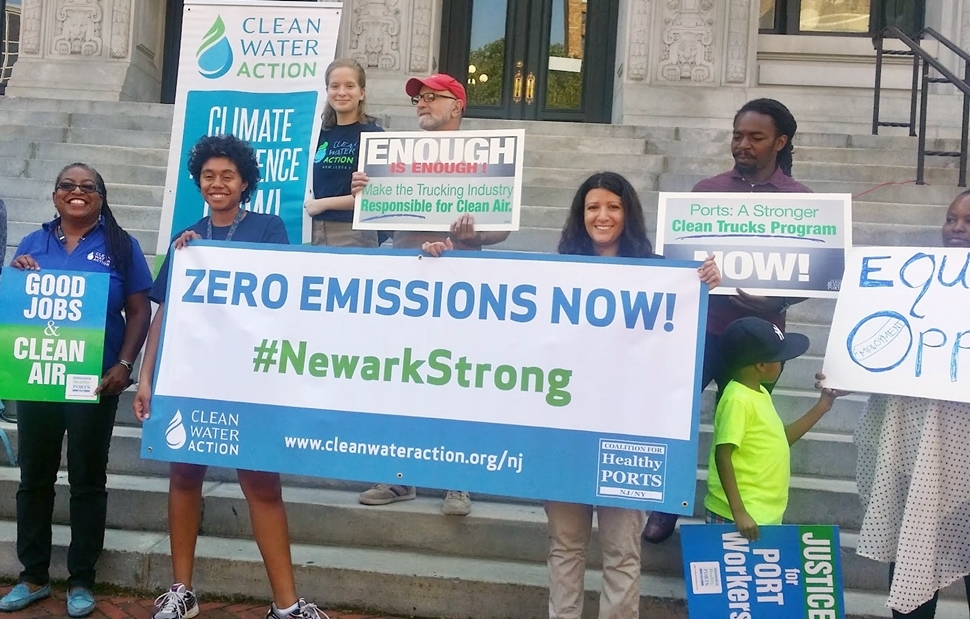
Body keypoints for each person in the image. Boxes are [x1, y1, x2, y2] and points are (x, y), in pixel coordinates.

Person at [427, 171, 720, 618]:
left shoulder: (663, 273)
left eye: (613, 207)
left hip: (630, 435)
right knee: (565, 548)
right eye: (592, 208)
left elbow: (682, 338)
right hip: (565, 435)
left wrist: (706, 282)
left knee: (623, 553)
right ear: (580, 215)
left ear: (629, 213)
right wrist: (453, 260)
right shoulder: (558, 272)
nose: (602, 216)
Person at [132, 135, 322, 619]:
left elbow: (284, 297)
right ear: (198, 181)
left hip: (249, 380)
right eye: (209, 176)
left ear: (244, 183)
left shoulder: (268, 228)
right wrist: (147, 375)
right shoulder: (186, 239)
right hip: (189, 376)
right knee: (183, 475)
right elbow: (164, 312)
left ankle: (286, 604)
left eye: (228, 176)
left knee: (261, 484)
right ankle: (182, 591)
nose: (217, 184)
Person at [644, 97, 812, 543]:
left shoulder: (802, 202)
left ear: (781, 141)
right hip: (704, 330)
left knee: (742, 431)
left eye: (755, 137)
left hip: (759, 341)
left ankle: (731, 511)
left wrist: (775, 297)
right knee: (674, 418)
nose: (743, 145)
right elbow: (680, 259)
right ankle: (666, 506)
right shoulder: (706, 192)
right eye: (737, 135)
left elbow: (814, 277)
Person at [350, 73, 510, 516]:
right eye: (419, 98)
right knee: (398, 377)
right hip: (406, 281)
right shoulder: (396, 158)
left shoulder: (485, 161)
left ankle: (457, 479)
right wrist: (366, 193)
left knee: (456, 379)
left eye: (432, 97)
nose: (422, 103)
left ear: (457, 105)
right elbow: (376, 217)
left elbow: (502, 226)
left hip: (460, 285)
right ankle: (398, 476)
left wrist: (474, 235)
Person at [0, 164, 152, 617]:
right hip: (39, 380)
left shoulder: (121, 247)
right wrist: (19, 273)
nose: (77, 192)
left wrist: (125, 365)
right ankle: (33, 575)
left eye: (88, 187)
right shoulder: (32, 244)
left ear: (101, 199)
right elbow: (19, 308)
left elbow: (140, 312)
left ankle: (81, 579)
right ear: (54, 196)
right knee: (34, 479)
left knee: (88, 480)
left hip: (94, 381)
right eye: (67, 185)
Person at [853, 190, 970, 618]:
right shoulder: (909, 279)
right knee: (912, 547)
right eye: (951, 219)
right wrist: (849, 371)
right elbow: (874, 344)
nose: (957, 229)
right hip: (915, 442)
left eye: (968, 222)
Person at [704, 317, 846, 541]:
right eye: (779, 359)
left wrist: (823, 406)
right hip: (735, 515)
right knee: (738, 576)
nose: (782, 364)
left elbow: (780, 439)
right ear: (760, 365)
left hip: (762, 511)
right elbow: (723, 455)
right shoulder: (738, 400)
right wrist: (739, 512)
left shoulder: (758, 393)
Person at [304, 58, 384, 247]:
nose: (341, 92)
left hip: (352, 232)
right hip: (309, 230)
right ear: (327, 91)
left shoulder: (373, 135)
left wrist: (322, 204)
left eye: (349, 86)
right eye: (335, 86)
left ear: (361, 93)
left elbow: (376, 194)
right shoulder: (316, 134)